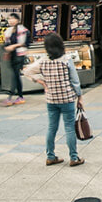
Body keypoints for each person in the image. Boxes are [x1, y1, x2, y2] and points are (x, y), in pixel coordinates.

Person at [24, 33, 85, 167]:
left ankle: (50, 156)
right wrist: (79, 97)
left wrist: (41, 82)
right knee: (69, 128)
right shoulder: (66, 59)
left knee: (52, 128)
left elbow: (27, 71)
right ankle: (74, 157)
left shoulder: (43, 61)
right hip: (67, 99)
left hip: (51, 99)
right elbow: (75, 81)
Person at [1, 12, 29, 106]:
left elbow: (25, 43)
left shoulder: (23, 30)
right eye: (9, 19)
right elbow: (6, 43)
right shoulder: (8, 31)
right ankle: (18, 96)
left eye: (13, 18)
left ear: (17, 20)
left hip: (19, 55)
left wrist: (14, 46)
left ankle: (14, 96)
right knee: (15, 75)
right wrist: (7, 49)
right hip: (12, 55)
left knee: (15, 75)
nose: (11, 21)